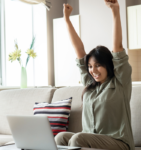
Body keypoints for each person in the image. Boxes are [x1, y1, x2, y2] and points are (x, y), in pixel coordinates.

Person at [55, 0, 135, 150]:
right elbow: (79, 50)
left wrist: (115, 12)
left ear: (108, 65)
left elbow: (117, 48)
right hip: (91, 141)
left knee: (78, 139)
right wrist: (67, 19)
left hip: (118, 143)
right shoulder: (90, 84)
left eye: (98, 65)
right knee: (60, 137)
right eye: (90, 66)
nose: (93, 70)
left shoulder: (120, 83)